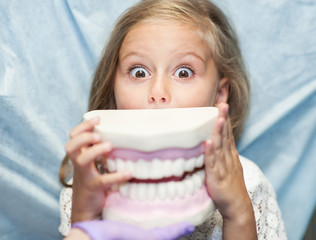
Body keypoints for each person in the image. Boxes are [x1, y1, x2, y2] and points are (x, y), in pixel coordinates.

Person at [59, 0, 287, 239]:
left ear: (219, 95)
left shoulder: (249, 186)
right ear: (113, 88)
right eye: (139, 72)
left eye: (184, 72)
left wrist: (239, 214)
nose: (158, 92)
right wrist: (85, 220)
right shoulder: (84, 190)